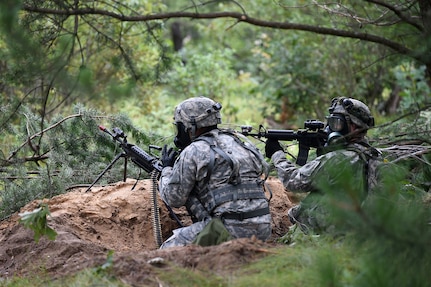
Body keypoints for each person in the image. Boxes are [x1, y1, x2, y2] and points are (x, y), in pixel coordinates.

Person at [158, 96, 272, 249]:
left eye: (180, 126)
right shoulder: (241, 142)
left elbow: (174, 198)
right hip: (264, 227)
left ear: (191, 127)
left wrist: (166, 169)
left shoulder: (194, 150)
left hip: (230, 230)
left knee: (167, 250)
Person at [265, 97, 382, 234]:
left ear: (354, 126)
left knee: (296, 213)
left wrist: (277, 154)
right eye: (331, 122)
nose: (331, 128)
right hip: (358, 226)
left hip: (330, 231)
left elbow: (293, 182)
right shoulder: (373, 154)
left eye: (337, 123)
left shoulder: (339, 159)